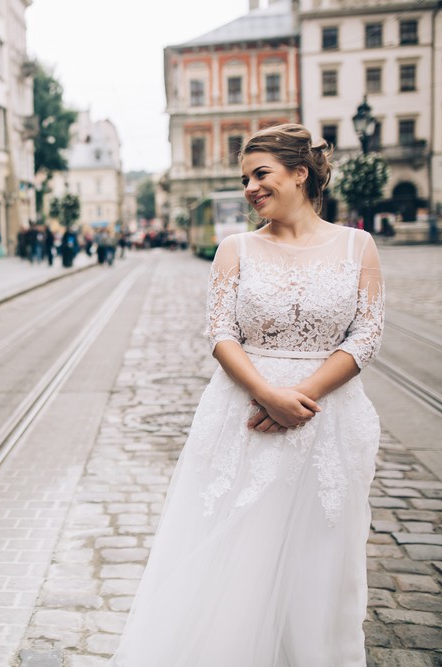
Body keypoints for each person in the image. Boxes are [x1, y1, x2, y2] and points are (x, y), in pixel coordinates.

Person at [111, 124, 384, 666]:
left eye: (261, 174)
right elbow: (220, 334)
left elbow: (367, 336)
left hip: (327, 418)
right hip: (243, 415)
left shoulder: (358, 244)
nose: (251, 187)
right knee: (239, 552)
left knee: (318, 558)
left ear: (299, 174)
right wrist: (266, 394)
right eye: (245, 179)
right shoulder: (236, 248)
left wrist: (297, 397)